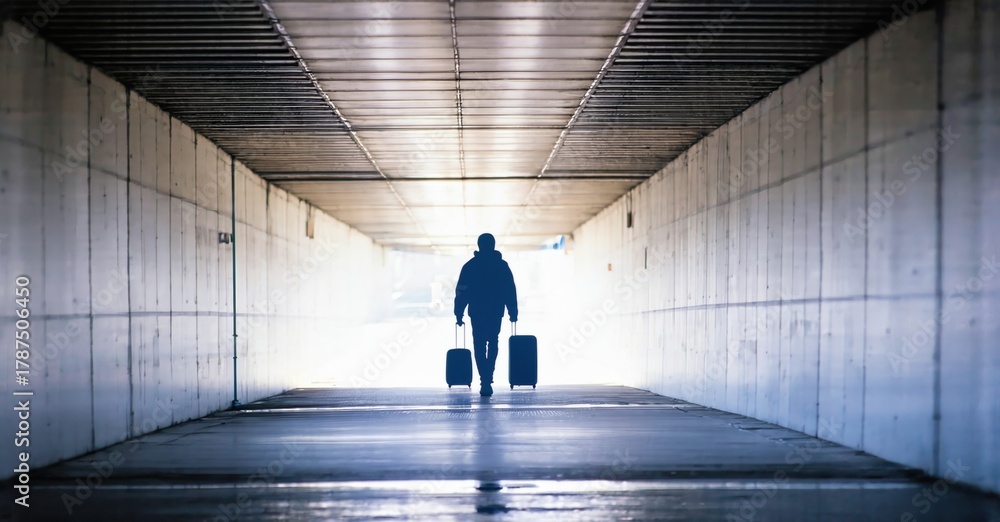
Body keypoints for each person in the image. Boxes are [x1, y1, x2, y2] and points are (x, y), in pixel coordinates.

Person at [454, 233, 518, 396]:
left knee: (479, 344)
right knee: (493, 341)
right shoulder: (502, 266)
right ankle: (488, 376)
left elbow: (461, 291)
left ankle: (485, 378)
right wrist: (513, 311)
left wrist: (459, 312)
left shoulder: (470, 266)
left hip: (477, 311)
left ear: (479, 245)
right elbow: (510, 290)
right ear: (493, 245)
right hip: (495, 311)